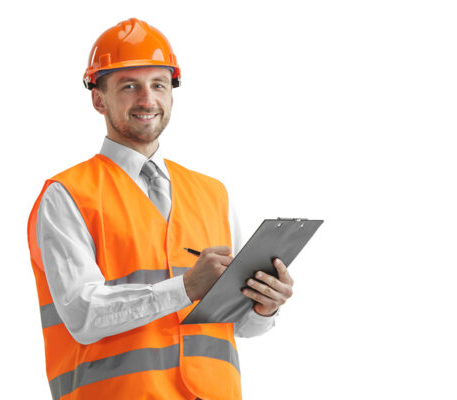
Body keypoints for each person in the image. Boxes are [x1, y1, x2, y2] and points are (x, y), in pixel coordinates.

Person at [27, 18, 294, 400]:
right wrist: (185, 287)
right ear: (98, 98)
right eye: (129, 86)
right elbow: (82, 314)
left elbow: (238, 326)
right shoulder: (67, 194)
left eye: (159, 85)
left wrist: (263, 307)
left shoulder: (213, 193)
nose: (147, 99)